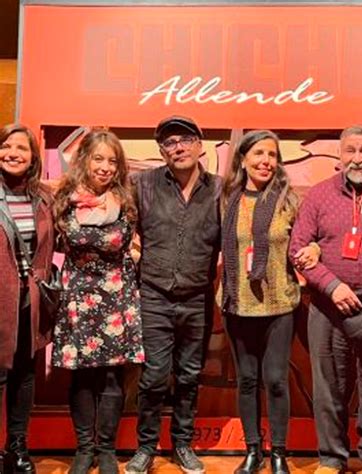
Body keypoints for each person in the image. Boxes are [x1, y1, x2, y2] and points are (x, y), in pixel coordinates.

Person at [289, 125, 362, 474]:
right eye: (350, 151)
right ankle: (331, 458)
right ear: (340, 156)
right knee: (329, 387)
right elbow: (298, 248)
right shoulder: (318, 196)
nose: (358, 158)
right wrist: (331, 286)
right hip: (329, 308)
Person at [125, 116, 221, 474]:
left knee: (189, 374)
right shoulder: (143, 185)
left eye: (184, 140)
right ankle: (146, 447)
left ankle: (182, 444)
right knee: (152, 376)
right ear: (161, 151)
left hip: (197, 297)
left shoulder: (219, 189)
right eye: (169, 142)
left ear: (200, 144)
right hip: (153, 295)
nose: (177, 147)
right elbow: (120, 228)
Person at [220, 129, 319, 474]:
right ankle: (252, 450)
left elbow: (311, 239)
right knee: (247, 379)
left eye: (272, 155)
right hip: (237, 303)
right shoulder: (226, 199)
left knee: (275, 379)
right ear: (244, 159)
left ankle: (278, 450)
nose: (265, 161)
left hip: (279, 305)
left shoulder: (288, 200)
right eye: (259, 154)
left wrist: (314, 249)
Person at [52, 129, 144, 474]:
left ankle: (106, 449)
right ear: (84, 160)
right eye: (98, 158)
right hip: (78, 297)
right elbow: (63, 239)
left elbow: (125, 242)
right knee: (81, 378)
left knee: (111, 378)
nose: (105, 167)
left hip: (117, 297)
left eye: (112, 160)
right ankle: (83, 449)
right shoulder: (65, 197)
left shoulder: (126, 200)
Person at [0, 124, 55, 474]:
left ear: (33, 157)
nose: (13, 153)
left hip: (29, 302)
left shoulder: (43, 198)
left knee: (24, 374)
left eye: (22, 148)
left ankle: (17, 447)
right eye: (6, 146)